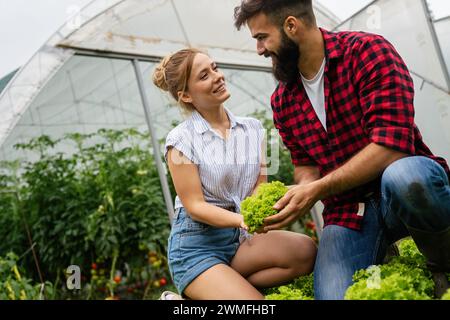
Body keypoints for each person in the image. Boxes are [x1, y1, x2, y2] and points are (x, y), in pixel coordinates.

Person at [233, 0, 450, 300]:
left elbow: (391, 147)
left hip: (398, 190)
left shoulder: (367, 53)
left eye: (261, 37)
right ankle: (381, 251)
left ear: (291, 26)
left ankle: (443, 262)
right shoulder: (283, 100)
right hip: (348, 212)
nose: (260, 49)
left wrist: (317, 189)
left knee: (407, 177)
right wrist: (301, 192)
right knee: (335, 296)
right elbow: (305, 165)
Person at [152, 48, 317, 300]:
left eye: (215, 68)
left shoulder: (252, 128)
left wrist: (266, 209)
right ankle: (207, 287)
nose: (217, 76)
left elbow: (259, 186)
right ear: (186, 95)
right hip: (198, 247)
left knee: (305, 252)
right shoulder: (180, 140)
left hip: (240, 240)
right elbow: (195, 206)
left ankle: (206, 294)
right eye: (204, 75)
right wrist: (242, 220)